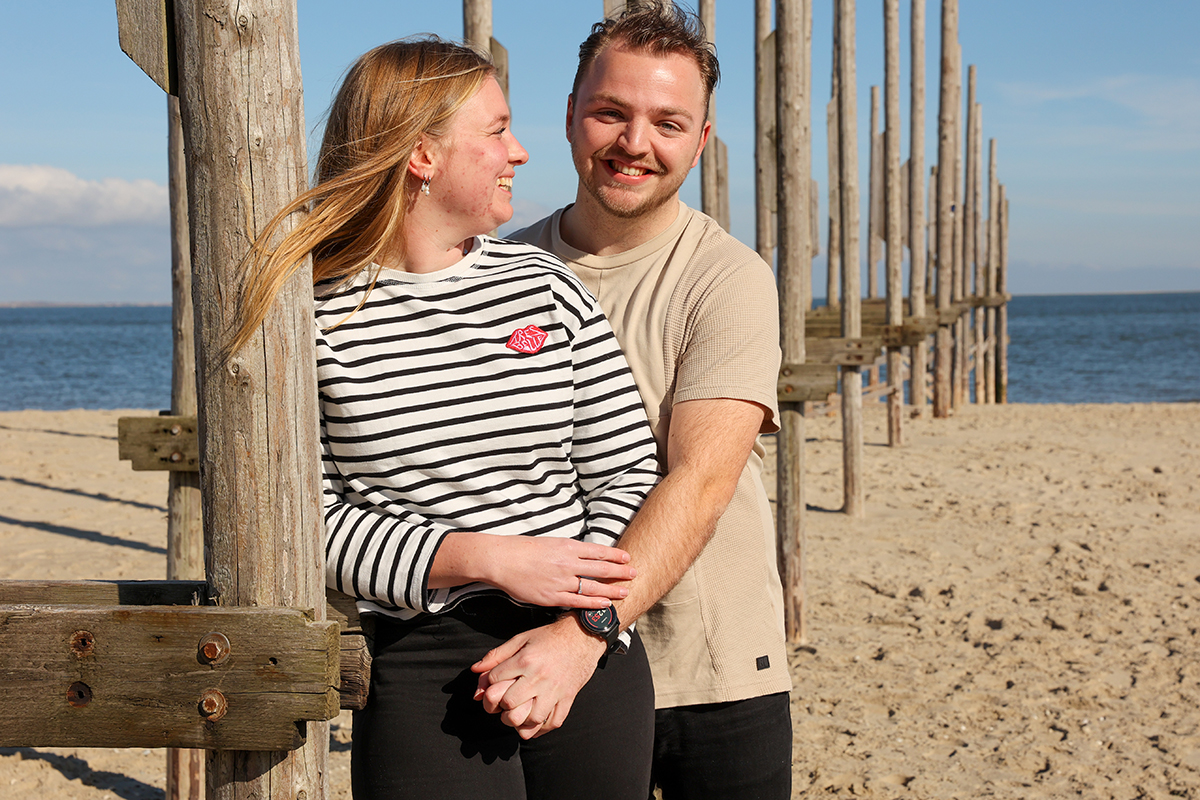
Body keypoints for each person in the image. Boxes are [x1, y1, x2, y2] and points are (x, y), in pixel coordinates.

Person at [227, 38, 661, 800]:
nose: (520, 152)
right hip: (421, 658)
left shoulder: (545, 287)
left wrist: (584, 630)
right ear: (422, 154)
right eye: (496, 131)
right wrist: (482, 557)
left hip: (583, 644)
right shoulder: (311, 317)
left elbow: (627, 468)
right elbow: (304, 522)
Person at [474, 4, 793, 798]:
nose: (634, 144)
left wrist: (585, 635)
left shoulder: (726, 277)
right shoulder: (493, 272)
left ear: (702, 138)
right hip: (538, 664)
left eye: (667, 123)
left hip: (709, 672)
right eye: (611, 112)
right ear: (572, 113)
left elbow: (700, 479)